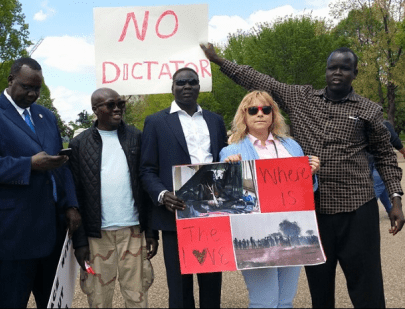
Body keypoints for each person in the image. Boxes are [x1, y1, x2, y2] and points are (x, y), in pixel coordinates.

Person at [201, 44, 404, 308]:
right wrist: (219, 60)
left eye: (345, 68)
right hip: (312, 213)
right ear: (326, 70)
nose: (338, 72)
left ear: (355, 72)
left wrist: (396, 198)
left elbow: (386, 157)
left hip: (357, 208)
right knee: (319, 289)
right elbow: (259, 80)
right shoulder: (301, 98)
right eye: (333, 67)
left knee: (366, 285)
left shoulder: (369, 110)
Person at [0, 57, 81, 308]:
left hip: (51, 234)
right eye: (27, 87)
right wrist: (27, 164)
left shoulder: (46, 116)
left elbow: (60, 163)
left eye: (37, 88)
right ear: (10, 80)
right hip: (11, 236)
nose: (33, 93)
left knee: (53, 303)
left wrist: (71, 204)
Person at [220, 90, 320, 308]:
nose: (260, 114)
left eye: (266, 109)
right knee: (264, 301)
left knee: (285, 301)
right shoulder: (231, 150)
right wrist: (229, 172)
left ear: (273, 114)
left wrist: (310, 174)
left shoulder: (292, 147)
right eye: (253, 110)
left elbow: (305, 192)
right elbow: (226, 199)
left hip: (292, 231)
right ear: (243, 115)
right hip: (256, 233)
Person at [140, 67, 228, 308]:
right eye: (181, 83)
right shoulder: (156, 122)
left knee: (211, 284)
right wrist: (161, 195)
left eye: (192, 82)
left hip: (212, 213)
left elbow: (224, 161)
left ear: (200, 87)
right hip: (175, 214)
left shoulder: (215, 120)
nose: (187, 86)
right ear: (173, 87)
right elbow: (147, 169)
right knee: (179, 288)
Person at [69, 88, 158, 308]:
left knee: (137, 297)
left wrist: (151, 231)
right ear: (95, 110)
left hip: (133, 232)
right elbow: (75, 195)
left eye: (120, 103)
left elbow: (147, 184)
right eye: (110, 105)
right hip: (96, 236)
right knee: (98, 298)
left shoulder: (137, 137)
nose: (117, 108)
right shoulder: (79, 144)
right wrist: (79, 241)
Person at [370, 120, 405, 214]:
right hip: (380, 160)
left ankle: (390, 209)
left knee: (382, 186)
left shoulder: (361, 123)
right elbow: (395, 141)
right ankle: (367, 211)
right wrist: (403, 152)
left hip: (367, 160)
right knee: (377, 186)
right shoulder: (385, 124)